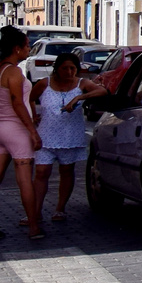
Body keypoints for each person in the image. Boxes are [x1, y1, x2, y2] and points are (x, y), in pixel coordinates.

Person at [0, 26, 44, 241]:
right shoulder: (14, 71)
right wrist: (32, 132)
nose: (28, 50)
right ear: (16, 49)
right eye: (26, 46)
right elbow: (18, 103)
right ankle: (33, 227)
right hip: (15, 129)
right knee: (25, 179)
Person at [29, 50, 105, 221]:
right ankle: (35, 211)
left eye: (73, 68)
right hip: (46, 135)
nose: (69, 72)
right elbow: (29, 98)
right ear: (57, 69)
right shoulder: (44, 84)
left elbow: (102, 92)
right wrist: (33, 115)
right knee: (41, 172)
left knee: (66, 170)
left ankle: (60, 208)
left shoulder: (81, 84)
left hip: (69, 136)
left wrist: (79, 98)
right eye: (65, 68)